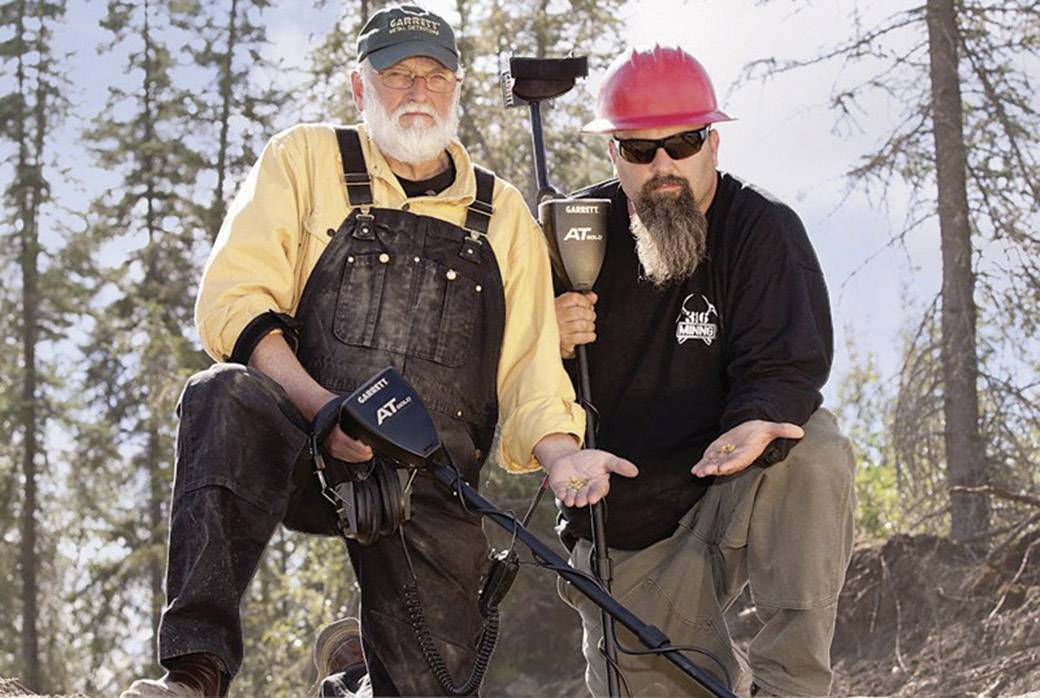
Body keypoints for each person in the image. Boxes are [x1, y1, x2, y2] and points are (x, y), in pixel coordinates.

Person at [120, 5, 635, 697]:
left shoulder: (503, 212)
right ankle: (196, 672)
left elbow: (531, 370)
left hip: (429, 474)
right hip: (303, 439)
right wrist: (323, 410)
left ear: (457, 87)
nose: (418, 91)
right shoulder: (304, 160)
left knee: (429, 683)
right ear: (359, 87)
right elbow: (234, 300)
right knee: (224, 394)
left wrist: (564, 456)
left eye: (435, 75)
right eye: (397, 75)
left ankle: (353, 681)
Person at [549, 45, 856, 698]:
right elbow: (513, 388)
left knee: (812, 447)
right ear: (613, 154)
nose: (663, 165)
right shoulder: (568, 237)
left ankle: (791, 688)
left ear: (713, 143)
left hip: (731, 492)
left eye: (683, 142)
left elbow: (786, 362)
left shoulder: (762, 229)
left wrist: (756, 420)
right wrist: (546, 340)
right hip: (630, 534)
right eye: (640, 149)